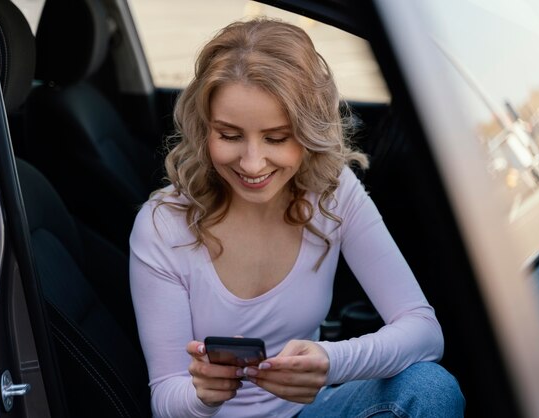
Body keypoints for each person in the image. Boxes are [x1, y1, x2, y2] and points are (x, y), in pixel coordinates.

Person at [129, 18, 465, 418]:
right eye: (230, 135)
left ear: (308, 132)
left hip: (308, 411)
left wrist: (329, 362)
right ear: (204, 130)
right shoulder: (163, 225)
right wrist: (204, 394)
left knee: (429, 388)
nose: (252, 164)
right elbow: (165, 396)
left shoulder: (332, 191)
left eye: (276, 137)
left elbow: (424, 331)